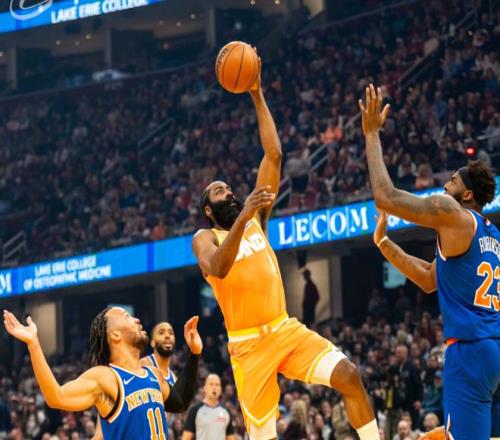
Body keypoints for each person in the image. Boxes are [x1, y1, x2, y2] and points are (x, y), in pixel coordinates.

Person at [193, 55, 380, 440]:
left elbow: (274, 155)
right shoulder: (205, 237)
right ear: (209, 210)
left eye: (228, 187)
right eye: (219, 192)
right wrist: (244, 216)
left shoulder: (256, 219)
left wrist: (257, 94)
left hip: (284, 329)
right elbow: (218, 267)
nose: (229, 191)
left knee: (349, 375)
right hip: (248, 347)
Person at [359, 84, 500, 440]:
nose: (444, 186)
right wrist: (384, 243)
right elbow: (427, 277)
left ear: (467, 194)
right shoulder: (491, 235)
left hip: (468, 351)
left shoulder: (451, 212)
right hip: (492, 348)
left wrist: (372, 135)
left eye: (452, 181)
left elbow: (385, 197)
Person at [2, 308, 202, 439]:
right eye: (127, 316)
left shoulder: (154, 374)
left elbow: (181, 401)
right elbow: (57, 397)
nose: (136, 319)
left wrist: (195, 353)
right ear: (115, 335)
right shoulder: (106, 377)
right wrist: (34, 344)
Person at [182, 374, 235, 440]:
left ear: (220, 389)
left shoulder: (226, 412)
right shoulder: (195, 410)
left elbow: (231, 438)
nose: (214, 387)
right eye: (211, 384)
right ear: (205, 388)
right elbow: (186, 437)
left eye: (217, 385)